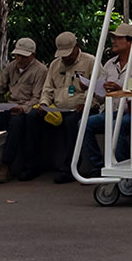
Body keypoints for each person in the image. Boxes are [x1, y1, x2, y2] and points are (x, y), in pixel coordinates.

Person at [85, 21, 132, 176]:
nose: (113, 41)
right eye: (113, 38)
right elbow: (102, 98)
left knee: (117, 125)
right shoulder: (109, 64)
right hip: (112, 111)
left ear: (129, 42)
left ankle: (123, 170)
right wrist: (94, 89)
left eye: (118, 38)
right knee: (84, 124)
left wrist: (121, 90)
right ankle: (98, 167)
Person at [0, 38, 50, 179]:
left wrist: (23, 107)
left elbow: (38, 97)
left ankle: (5, 165)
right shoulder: (11, 67)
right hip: (11, 107)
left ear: (33, 55)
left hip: (25, 110)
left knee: (17, 120)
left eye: (23, 56)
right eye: (17, 55)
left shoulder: (40, 70)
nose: (19, 59)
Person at [39, 30, 93, 180]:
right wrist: (44, 104)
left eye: (68, 54)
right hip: (58, 108)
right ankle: (32, 165)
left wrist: (88, 103)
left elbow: (98, 90)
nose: (66, 58)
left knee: (71, 122)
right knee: (32, 118)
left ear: (76, 47)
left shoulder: (90, 62)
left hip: (81, 107)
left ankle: (69, 168)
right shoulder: (55, 65)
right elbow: (48, 88)